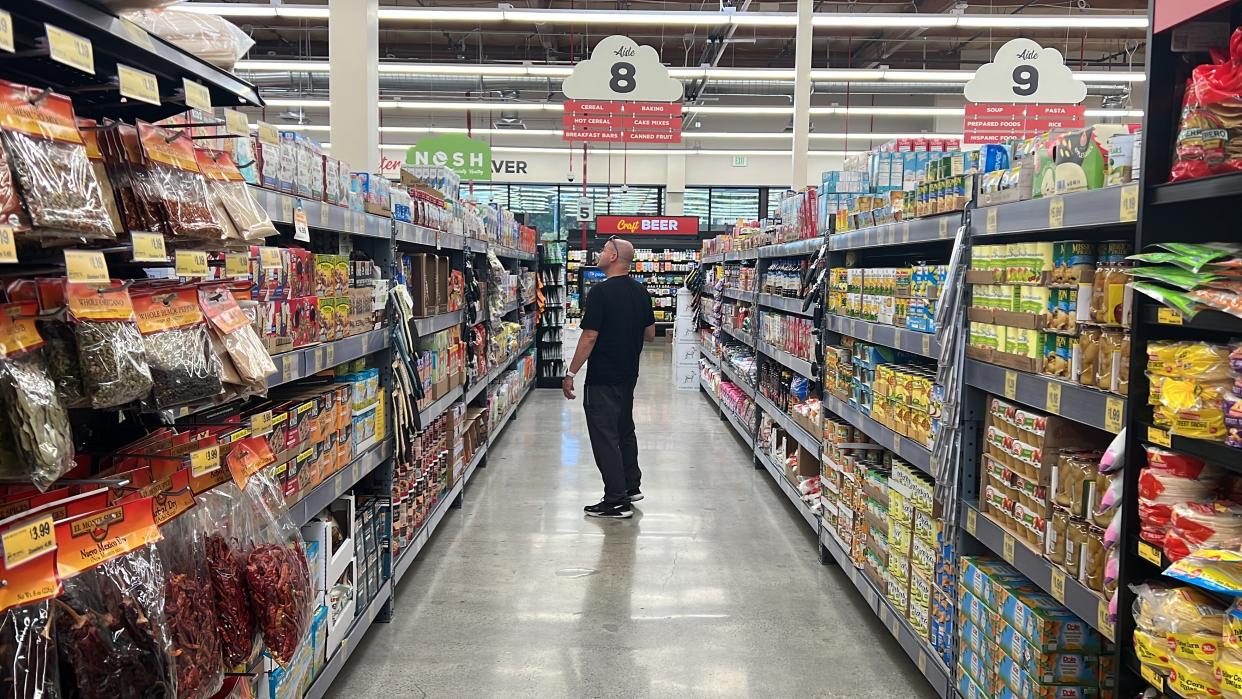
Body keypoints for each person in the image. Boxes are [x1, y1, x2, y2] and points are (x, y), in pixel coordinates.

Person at [562, 236, 656, 519]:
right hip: (628, 374)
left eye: (603, 250)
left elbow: (589, 336)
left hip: (603, 376)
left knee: (604, 436)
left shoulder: (600, 293)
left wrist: (570, 372)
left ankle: (615, 500)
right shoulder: (641, 292)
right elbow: (650, 334)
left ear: (614, 256)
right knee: (624, 430)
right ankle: (630, 486)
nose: (599, 253)